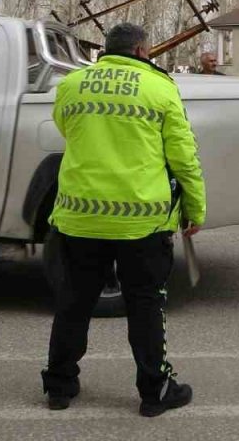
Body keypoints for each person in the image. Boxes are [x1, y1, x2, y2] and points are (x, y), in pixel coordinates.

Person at [41, 22, 205, 418]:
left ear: (106, 50)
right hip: (141, 220)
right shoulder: (160, 88)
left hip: (79, 217)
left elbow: (66, 129)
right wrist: (195, 208)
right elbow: (182, 155)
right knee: (146, 305)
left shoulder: (72, 85)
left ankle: (60, 387)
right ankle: (155, 391)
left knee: (74, 302)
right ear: (142, 50)